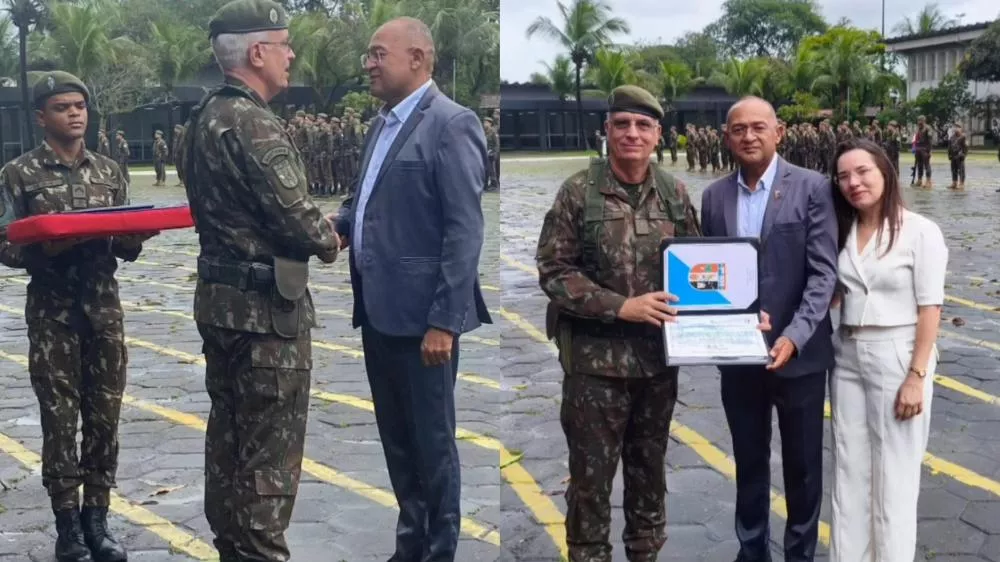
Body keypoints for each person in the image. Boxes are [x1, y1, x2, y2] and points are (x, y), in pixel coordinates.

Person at [177, 1, 341, 560]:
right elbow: (301, 223)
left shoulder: (203, 118)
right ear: (256, 53)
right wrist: (332, 233)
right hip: (266, 314)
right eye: (283, 43)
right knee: (268, 461)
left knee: (228, 447)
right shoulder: (253, 123)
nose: (291, 53)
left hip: (220, 305)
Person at [333, 16, 491, 562]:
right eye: (368, 55)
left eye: (378, 54)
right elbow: (363, 202)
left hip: (425, 321)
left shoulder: (452, 123)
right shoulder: (381, 125)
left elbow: (464, 229)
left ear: (418, 58)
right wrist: (332, 228)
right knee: (398, 442)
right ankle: (411, 545)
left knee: (433, 445)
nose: (368, 64)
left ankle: (438, 550)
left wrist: (445, 320)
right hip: (378, 313)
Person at [536, 85, 704, 562]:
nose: (632, 133)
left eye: (643, 125)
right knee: (590, 484)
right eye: (622, 124)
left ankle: (645, 555)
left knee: (649, 475)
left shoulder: (674, 193)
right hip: (594, 370)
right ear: (606, 131)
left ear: (658, 135)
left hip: (657, 366)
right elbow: (554, 272)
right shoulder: (578, 192)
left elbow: (700, 266)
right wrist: (619, 305)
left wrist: (735, 315)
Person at [0, 70, 158, 562]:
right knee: (60, 420)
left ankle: (99, 519)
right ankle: (67, 525)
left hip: (103, 312)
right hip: (53, 315)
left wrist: (138, 234)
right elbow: (4, 244)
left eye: (80, 106)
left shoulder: (109, 171)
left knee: (104, 419)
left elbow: (124, 242)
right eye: (63, 106)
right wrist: (44, 246)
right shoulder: (18, 174)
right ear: (41, 116)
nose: (74, 113)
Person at [700, 96, 839, 562]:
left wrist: (794, 334)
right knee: (749, 461)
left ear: (778, 132)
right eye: (738, 129)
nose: (748, 136)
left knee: (803, 468)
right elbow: (711, 276)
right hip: (739, 358)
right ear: (726, 136)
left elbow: (823, 275)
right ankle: (751, 548)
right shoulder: (714, 196)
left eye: (759, 127)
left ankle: (800, 553)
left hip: (798, 356)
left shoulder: (813, 187)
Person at [828, 137, 947, 561]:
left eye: (862, 172)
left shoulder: (919, 230)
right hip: (846, 355)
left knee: (893, 481)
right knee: (849, 473)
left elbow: (930, 306)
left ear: (885, 173)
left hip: (898, 354)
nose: (853, 183)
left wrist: (917, 376)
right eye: (843, 176)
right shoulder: (841, 230)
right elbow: (834, 293)